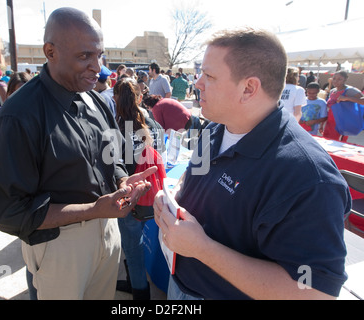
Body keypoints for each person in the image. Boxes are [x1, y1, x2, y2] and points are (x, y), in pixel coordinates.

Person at [154, 27, 350, 300]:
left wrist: (203, 249)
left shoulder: (308, 178)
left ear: (248, 88)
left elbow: (314, 293)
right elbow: (191, 178)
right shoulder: (214, 130)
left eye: (209, 76)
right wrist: (171, 202)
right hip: (180, 287)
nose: (197, 83)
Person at [0, 7, 156, 300]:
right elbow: (9, 213)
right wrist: (93, 210)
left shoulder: (97, 101)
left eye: (99, 55)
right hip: (59, 248)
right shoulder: (19, 114)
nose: (97, 66)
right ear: (50, 51)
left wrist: (121, 181)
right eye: (84, 56)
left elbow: (111, 157)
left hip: (107, 233)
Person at [113, 78, 165, 300]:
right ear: (140, 97)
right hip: (150, 193)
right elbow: (161, 151)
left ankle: (140, 295)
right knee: (135, 244)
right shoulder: (151, 121)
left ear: (115, 98)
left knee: (132, 248)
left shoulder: (113, 126)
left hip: (128, 197)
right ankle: (135, 283)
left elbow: (112, 167)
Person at [322, 70, 364, 142]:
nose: (335, 81)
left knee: (337, 145)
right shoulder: (333, 91)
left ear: (345, 80)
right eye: (334, 78)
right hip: (330, 123)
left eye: (339, 79)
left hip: (342, 124)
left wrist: (346, 98)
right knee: (326, 142)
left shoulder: (350, 90)